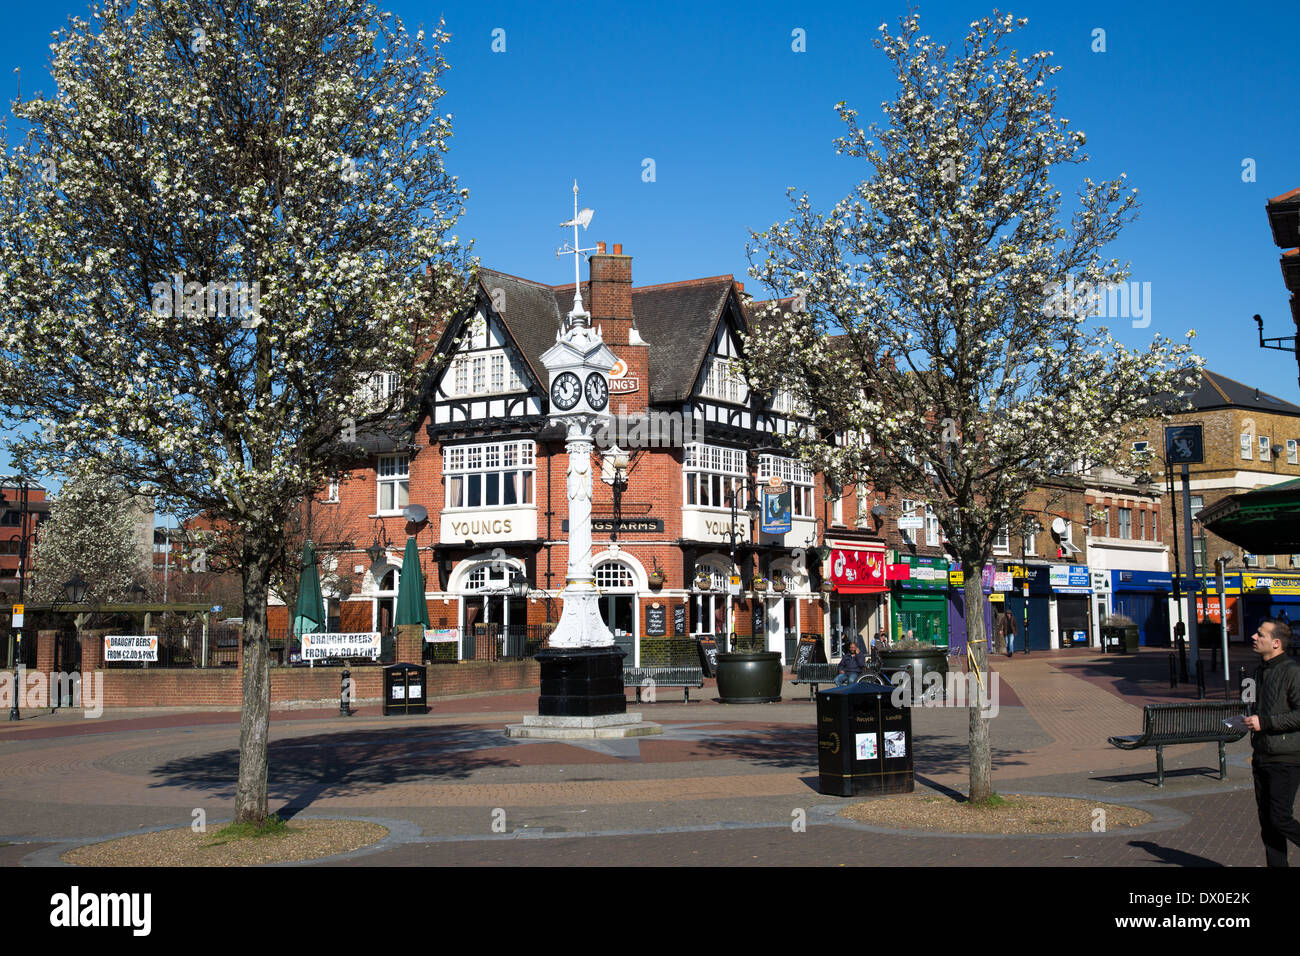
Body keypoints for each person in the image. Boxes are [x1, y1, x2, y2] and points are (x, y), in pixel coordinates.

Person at [1245, 618, 1300, 866]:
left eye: (1260, 634)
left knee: (1279, 818)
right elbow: (1258, 707)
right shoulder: (1259, 671)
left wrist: (1264, 722)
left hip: (1286, 757)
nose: (1254, 637)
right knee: (1268, 824)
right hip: (1262, 755)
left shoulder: (1292, 671)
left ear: (1276, 643)